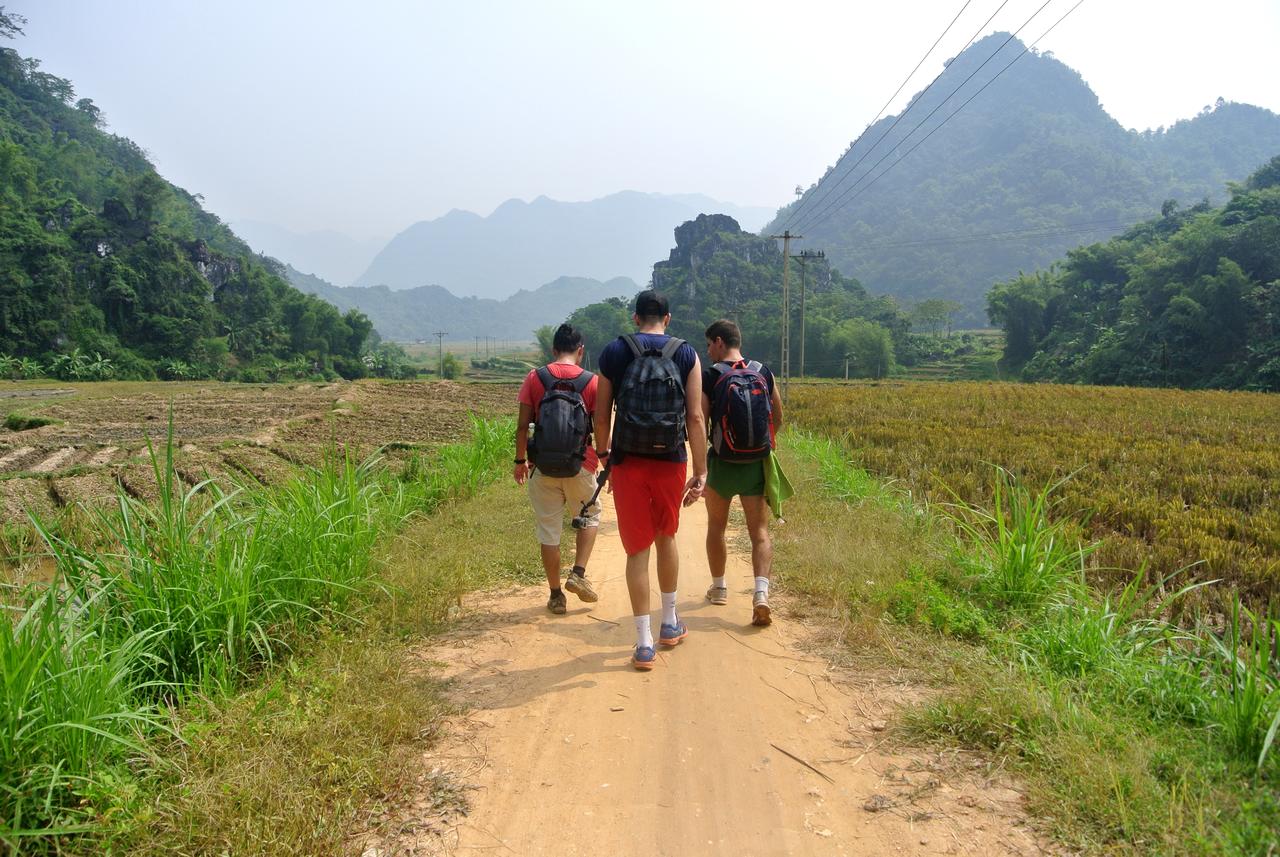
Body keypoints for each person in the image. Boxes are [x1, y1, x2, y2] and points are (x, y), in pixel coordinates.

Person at [594, 290, 707, 670]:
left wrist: (605, 454)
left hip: (628, 461)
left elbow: (601, 414)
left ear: (635, 317)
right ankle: (670, 623)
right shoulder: (687, 354)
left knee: (636, 550)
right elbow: (695, 418)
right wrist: (701, 470)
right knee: (666, 536)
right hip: (671, 459)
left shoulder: (614, 352)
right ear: (668, 318)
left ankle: (643, 644)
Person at [514, 323, 601, 614]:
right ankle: (578, 573)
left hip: (543, 467)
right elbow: (600, 426)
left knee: (548, 532)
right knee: (589, 517)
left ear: (552, 350)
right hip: (582, 465)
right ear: (581, 350)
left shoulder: (535, 378)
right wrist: (606, 459)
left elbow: (522, 426)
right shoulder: (591, 381)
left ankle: (555, 596)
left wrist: (519, 462)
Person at [701, 319, 783, 627]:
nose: (708, 350)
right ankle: (761, 594)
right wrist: (764, 446)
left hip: (722, 463)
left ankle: (719, 587)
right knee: (759, 531)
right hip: (754, 464)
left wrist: (699, 466)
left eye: (709, 344)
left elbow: (700, 419)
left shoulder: (710, 376)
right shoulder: (763, 371)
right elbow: (778, 415)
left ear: (720, 342)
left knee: (716, 527)